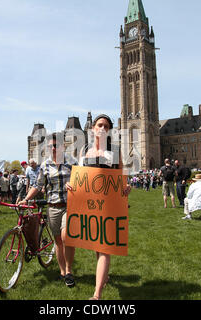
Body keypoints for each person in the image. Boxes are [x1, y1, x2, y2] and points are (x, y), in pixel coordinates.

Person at [78, 114, 131, 300]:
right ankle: (105, 277)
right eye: (99, 125)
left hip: (109, 205)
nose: (102, 128)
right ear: (93, 128)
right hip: (89, 205)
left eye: (106, 126)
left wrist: (126, 187)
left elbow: (122, 174)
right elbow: (80, 178)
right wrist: (71, 187)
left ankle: (97, 294)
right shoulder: (85, 151)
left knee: (104, 248)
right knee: (96, 245)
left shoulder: (114, 152)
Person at [18, 132, 77, 289]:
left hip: (69, 206)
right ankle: (63, 271)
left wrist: (74, 186)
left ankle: (70, 271)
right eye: (50, 146)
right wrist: (26, 199)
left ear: (63, 146)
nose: (52, 148)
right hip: (53, 207)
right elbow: (37, 185)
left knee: (66, 238)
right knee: (58, 241)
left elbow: (83, 182)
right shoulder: (45, 165)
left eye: (55, 146)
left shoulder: (72, 162)